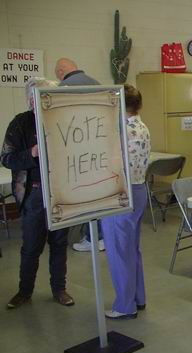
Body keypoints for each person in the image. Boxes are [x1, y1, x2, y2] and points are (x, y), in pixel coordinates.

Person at [1, 77, 74, 309]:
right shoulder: (20, 123)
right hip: (33, 194)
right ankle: (24, 292)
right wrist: (31, 153)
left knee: (59, 244)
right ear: (30, 100)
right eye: (39, 97)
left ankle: (59, 289)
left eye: (47, 96)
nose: (43, 102)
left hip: (60, 192)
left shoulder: (62, 120)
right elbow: (6, 158)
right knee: (31, 247)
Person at [101, 84, 151, 320]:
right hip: (139, 190)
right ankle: (137, 297)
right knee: (132, 249)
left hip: (120, 194)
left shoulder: (120, 130)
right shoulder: (142, 127)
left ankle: (124, 305)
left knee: (120, 252)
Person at [54, 57, 104, 252]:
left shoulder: (61, 88)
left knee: (85, 198)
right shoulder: (97, 84)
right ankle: (100, 235)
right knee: (99, 197)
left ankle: (91, 238)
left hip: (76, 155)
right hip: (100, 151)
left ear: (60, 72)